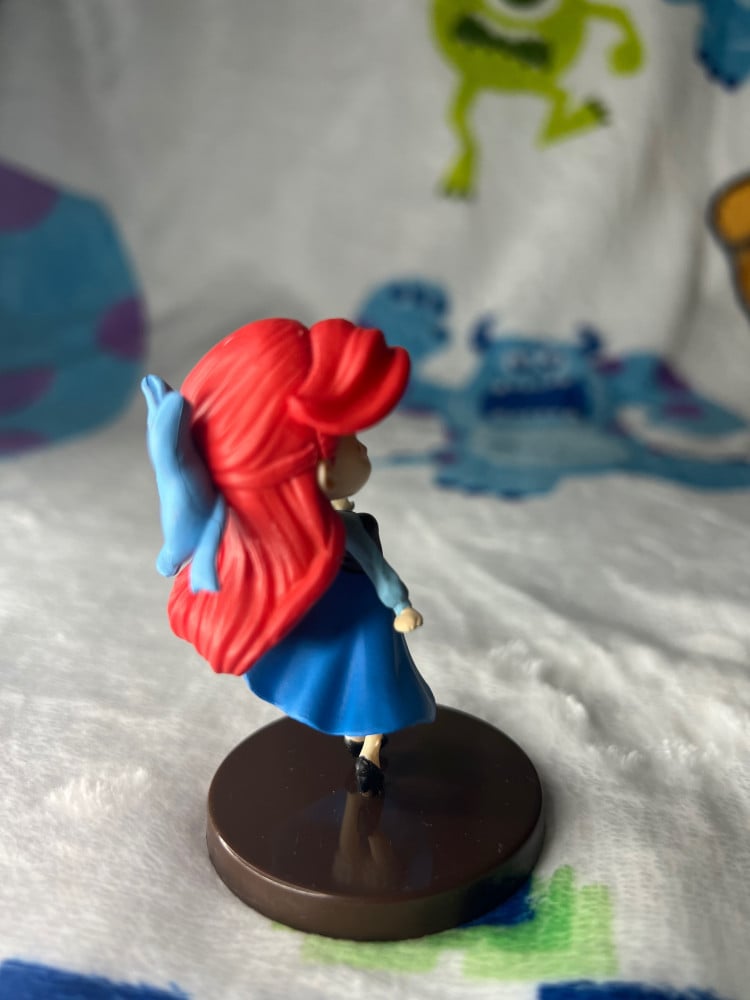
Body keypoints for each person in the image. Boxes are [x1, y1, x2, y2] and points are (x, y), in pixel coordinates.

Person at [143, 317, 436, 795]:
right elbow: (368, 568)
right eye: (350, 439)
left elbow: (378, 569)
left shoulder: (339, 529)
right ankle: (361, 735)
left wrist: (400, 605)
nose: (363, 447)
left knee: (375, 685)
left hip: (365, 618)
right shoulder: (310, 540)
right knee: (350, 682)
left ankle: (371, 745)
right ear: (314, 468)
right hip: (341, 617)